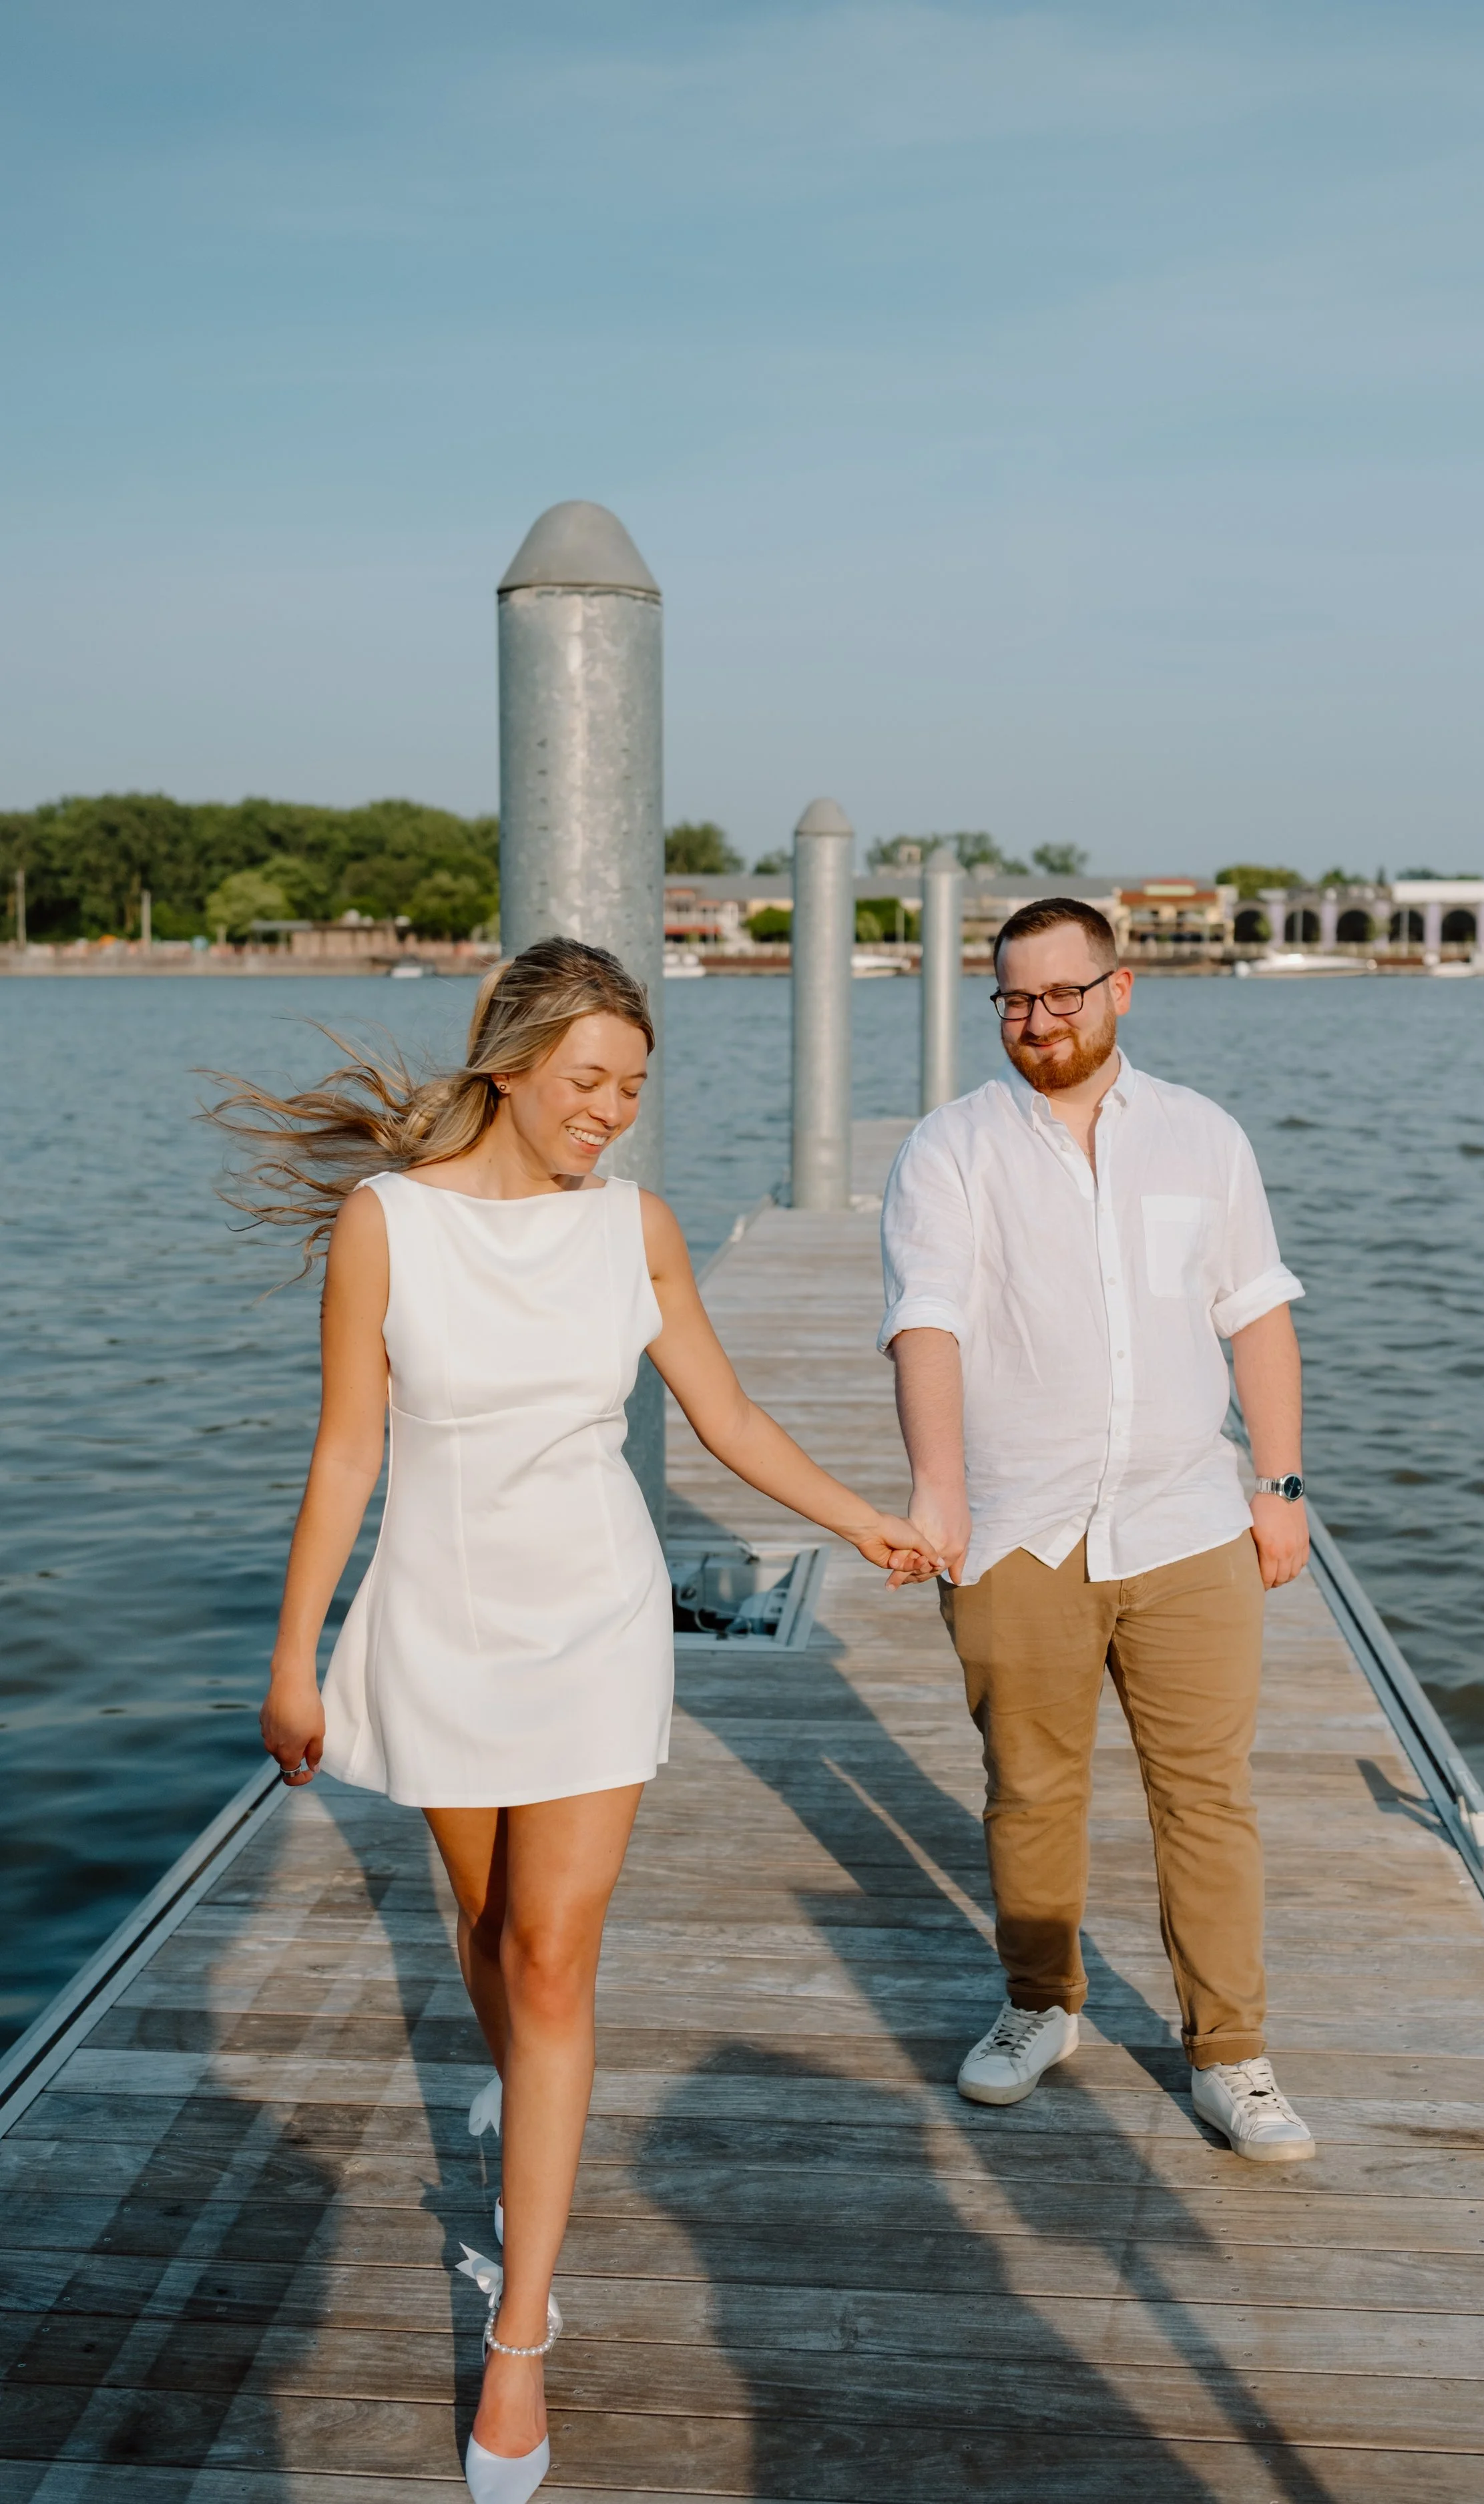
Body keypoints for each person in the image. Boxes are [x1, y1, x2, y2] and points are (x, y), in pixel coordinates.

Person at [212, 937, 939, 2504]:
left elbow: (724, 1415)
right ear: (511, 1063)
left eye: (632, 1088)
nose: (612, 1112)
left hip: (595, 1624)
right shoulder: (386, 1225)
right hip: (436, 1616)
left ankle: (521, 2328)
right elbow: (346, 1456)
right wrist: (294, 1662)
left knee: (551, 1955)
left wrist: (857, 1519)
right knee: (485, 1925)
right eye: (589, 1081)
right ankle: (517, 2083)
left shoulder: (635, 1230)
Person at [879, 896, 1315, 2163]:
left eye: (1064, 995)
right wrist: (938, 1489)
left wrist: (1279, 1487)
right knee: (1030, 1790)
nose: (1038, 1021)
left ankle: (1233, 2056)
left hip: (1188, 1519)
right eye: (1015, 999)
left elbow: (1257, 1313)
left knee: (1208, 1798)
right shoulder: (950, 1148)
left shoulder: (1203, 1137)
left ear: (1120, 992)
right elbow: (929, 1323)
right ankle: (1038, 2002)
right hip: (1021, 1528)